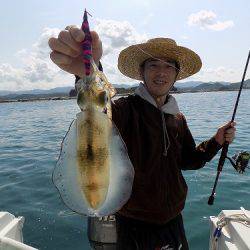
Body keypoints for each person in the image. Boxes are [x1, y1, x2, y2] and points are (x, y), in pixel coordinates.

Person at [49, 27, 236, 250]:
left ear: (176, 75)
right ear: (142, 72)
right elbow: (97, 107)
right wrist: (88, 69)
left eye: (168, 66)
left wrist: (216, 141)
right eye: (153, 65)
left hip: (173, 220)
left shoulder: (177, 118)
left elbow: (188, 161)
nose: (161, 72)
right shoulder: (123, 110)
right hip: (133, 223)